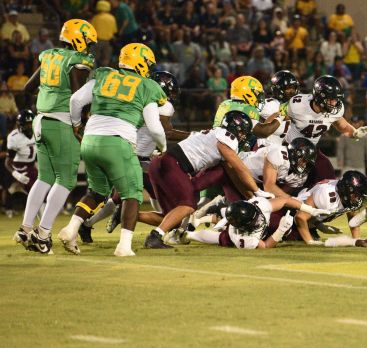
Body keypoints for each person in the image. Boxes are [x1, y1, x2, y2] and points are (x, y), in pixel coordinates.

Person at [57, 43, 167, 257]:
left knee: (97, 192)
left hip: (90, 140)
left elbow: (75, 100)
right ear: (141, 63)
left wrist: (77, 124)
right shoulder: (147, 85)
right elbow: (155, 128)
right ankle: (124, 246)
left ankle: (71, 229)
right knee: (132, 195)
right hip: (118, 141)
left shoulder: (104, 75)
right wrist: (162, 147)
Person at [13, 19, 97, 255]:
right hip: (61, 122)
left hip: (41, 121)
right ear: (78, 39)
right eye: (88, 41)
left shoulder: (50, 56)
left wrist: (47, 100)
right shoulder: (77, 60)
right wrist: (82, 121)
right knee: (66, 180)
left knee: (45, 177)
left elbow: (27, 89)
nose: (89, 47)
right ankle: (42, 234)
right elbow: (77, 96)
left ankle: (25, 228)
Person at [79, 71, 189, 243]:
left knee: (121, 197)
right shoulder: (164, 106)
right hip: (136, 157)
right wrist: (192, 136)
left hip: (133, 153)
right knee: (129, 196)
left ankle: (87, 224)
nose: (171, 96)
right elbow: (165, 132)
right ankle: (160, 229)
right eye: (171, 92)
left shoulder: (138, 97)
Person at [139, 110, 272, 249]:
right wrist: (257, 190)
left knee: (172, 218)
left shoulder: (213, 133)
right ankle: (154, 237)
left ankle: (130, 215)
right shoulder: (227, 137)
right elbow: (239, 167)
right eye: (242, 131)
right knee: (187, 206)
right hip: (173, 165)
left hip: (160, 165)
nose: (243, 136)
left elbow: (232, 171)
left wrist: (250, 196)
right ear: (234, 128)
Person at [285, 75, 367, 184]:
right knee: (289, 182)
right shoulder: (297, 106)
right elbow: (278, 120)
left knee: (328, 175)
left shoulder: (334, 111)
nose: (334, 103)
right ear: (319, 96)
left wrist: (354, 133)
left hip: (311, 150)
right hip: (289, 149)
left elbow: (342, 126)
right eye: (331, 99)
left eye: (336, 99)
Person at [185, 195, 328, 250]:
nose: (259, 219)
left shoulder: (260, 206)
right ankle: (188, 235)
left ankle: (215, 211)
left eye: (257, 216)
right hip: (233, 234)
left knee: (287, 227)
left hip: (246, 216)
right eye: (254, 220)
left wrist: (311, 210)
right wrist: (281, 230)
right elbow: (265, 245)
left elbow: (285, 200)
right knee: (220, 237)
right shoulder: (242, 238)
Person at [293, 170, 367, 244]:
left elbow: (353, 221)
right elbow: (300, 217)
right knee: (294, 238)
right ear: (347, 190)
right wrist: (310, 241)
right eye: (357, 195)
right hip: (292, 211)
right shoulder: (326, 195)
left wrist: (356, 241)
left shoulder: (347, 198)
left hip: (309, 221)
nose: (358, 199)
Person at [257, 70, 299, 148]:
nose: (292, 91)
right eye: (288, 88)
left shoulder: (296, 105)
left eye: (293, 88)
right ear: (278, 89)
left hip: (288, 148)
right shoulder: (268, 104)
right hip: (267, 147)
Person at [5, 110, 36, 195]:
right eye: (27, 124)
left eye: (31, 124)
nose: (30, 126)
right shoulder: (14, 137)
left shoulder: (38, 132)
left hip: (32, 165)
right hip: (20, 167)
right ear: (21, 125)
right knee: (35, 190)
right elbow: (7, 163)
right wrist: (17, 175)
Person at [91, 0, 118, 67]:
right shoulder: (112, 18)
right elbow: (114, 31)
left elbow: (91, 30)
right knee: (106, 59)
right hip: (108, 42)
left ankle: (95, 71)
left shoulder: (95, 18)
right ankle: (104, 71)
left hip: (98, 41)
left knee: (95, 58)